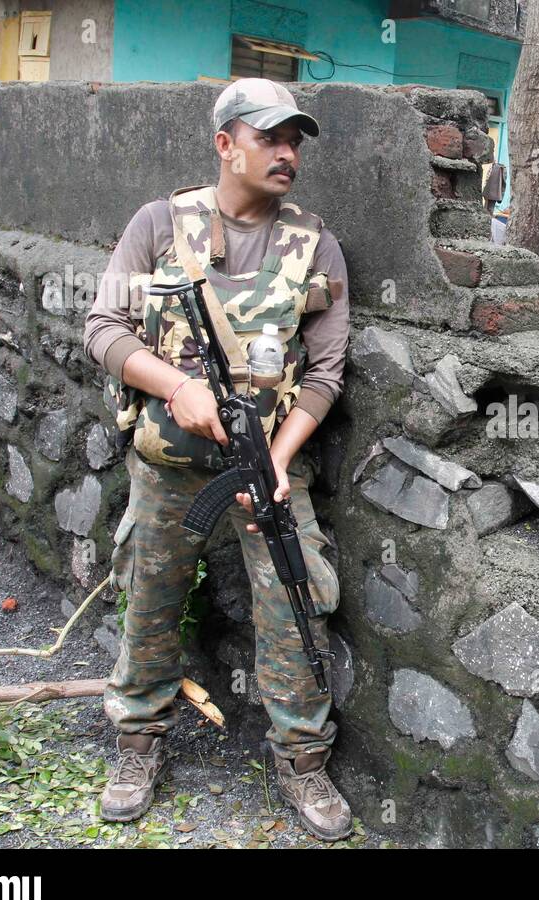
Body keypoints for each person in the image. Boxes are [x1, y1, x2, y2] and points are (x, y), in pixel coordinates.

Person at [82, 78, 353, 841]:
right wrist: (174, 385)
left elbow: (327, 371)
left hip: (268, 465)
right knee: (147, 594)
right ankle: (137, 742)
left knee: (298, 602)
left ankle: (302, 758)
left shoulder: (316, 244)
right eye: (270, 137)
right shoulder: (157, 225)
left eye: (295, 140)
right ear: (225, 143)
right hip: (169, 463)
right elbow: (103, 327)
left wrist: (276, 456)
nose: (288, 153)